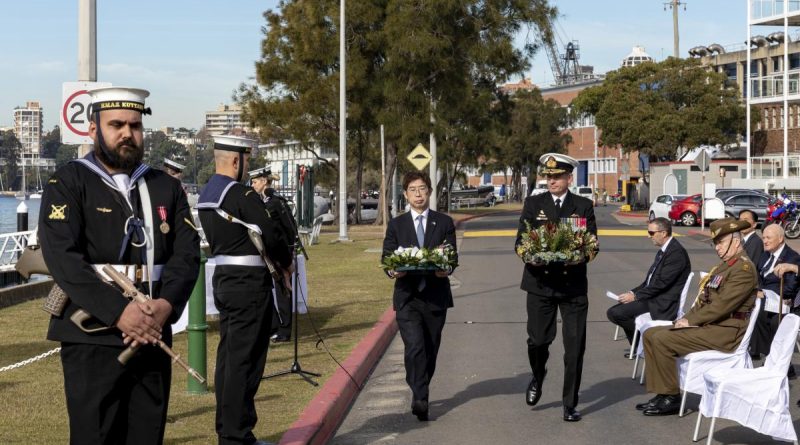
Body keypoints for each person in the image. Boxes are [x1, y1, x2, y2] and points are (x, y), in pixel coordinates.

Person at [39, 86, 200, 444]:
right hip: (92, 334)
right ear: (93, 128)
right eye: (116, 125)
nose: (127, 133)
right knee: (94, 436)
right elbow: (64, 259)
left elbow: (187, 256)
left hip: (153, 331)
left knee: (147, 434)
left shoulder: (165, 187)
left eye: (135, 125)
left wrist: (166, 307)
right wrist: (118, 312)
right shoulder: (68, 182)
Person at [197, 135, 293, 445]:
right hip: (249, 283)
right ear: (237, 161)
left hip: (224, 277)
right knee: (246, 361)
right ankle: (237, 435)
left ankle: (228, 428)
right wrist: (287, 263)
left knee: (229, 358)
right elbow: (273, 236)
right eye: (247, 160)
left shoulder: (207, 193)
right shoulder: (243, 195)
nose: (247, 166)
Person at [636, 218, 757, 416]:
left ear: (736, 242)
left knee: (661, 339)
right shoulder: (724, 266)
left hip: (725, 331)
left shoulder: (743, 269)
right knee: (650, 333)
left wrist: (691, 321)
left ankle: (671, 397)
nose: (717, 248)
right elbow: (703, 300)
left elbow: (722, 305)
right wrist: (684, 320)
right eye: (715, 243)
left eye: (721, 242)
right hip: (711, 325)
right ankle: (662, 392)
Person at [515, 153, 598, 422]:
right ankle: (538, 375)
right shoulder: (533, 203)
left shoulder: (583, 206)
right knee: (538, 341)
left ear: (568, 178)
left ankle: (569, 403)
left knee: (574, 348)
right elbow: (520, 242)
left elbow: (592, 246)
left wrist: (579, 256)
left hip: (572, 287)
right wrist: (530, 256)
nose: (551, 180)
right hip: (540, 284)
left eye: (557, 176)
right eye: (548, 176)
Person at [382, 171, 458, 422]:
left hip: (436, 296)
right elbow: (387, 257)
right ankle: (420, 397)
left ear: (429, 192)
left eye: (422, 189)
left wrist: (445, 268)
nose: (418, 194)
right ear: (405, 194)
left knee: (430, 348)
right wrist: (394, 270)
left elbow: (452, 257)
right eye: (413, 189)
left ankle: (420, 388)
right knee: (414, 347)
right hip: (408, 297)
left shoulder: (444, 222)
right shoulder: (396, 225)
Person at [607, 217, 691, 352]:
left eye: (651, 233)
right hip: (652, 297)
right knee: (615, 311)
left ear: (663, 233)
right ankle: (639, 347)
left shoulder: (676, 253)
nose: (648, 236)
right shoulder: (664, 250)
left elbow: (661, 284)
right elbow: (649, 281)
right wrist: (632, 293)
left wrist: (635, 297)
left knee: (616, 313)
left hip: (661, 303)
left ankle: (643, 346)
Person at [250, 166, 297, 343]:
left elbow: (288, 228)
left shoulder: (275, 202)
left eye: (254, 182)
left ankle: (284, 330)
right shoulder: (260, 202)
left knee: (282, 290)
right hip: (265, 253)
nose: (252, 185)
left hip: (279, 252)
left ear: (263, 182)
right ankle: (272, 326)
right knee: (264, 290)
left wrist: (288, 253)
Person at [750, 224, 799, 360]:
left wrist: (765, 293)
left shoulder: (792, 258)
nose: (764, 241)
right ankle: (761, 352)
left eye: (768, 238)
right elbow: (759, 278)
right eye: (763, 237)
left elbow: (789, 289)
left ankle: (770, 356)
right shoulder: (765, 255)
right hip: (764, 299)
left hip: (783, 302)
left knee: (764, 316)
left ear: (780, 239)